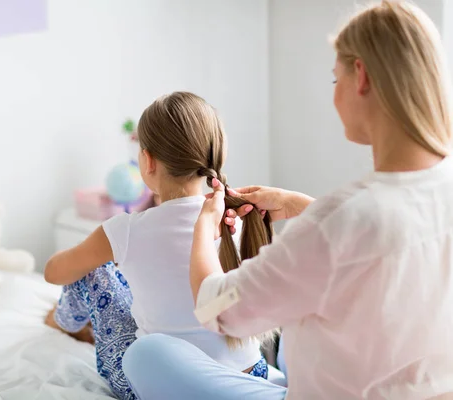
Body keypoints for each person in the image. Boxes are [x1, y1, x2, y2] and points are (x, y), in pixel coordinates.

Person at [122, 1, 453, 399]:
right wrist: (303, 207)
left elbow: (216, 309)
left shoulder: (337, 225)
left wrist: (201, 231)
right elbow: (385, 241)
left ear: (360, 76)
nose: (335, 96)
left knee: (146, 354)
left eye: (336, 80)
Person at [44, 92, 280, 400]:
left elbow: (54, 272)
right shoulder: (241, 218)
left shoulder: (125, 230)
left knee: (92, 269)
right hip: (250, 375)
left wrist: (98, 254)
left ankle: (64, 323)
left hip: (162, 383)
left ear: (148, 160)